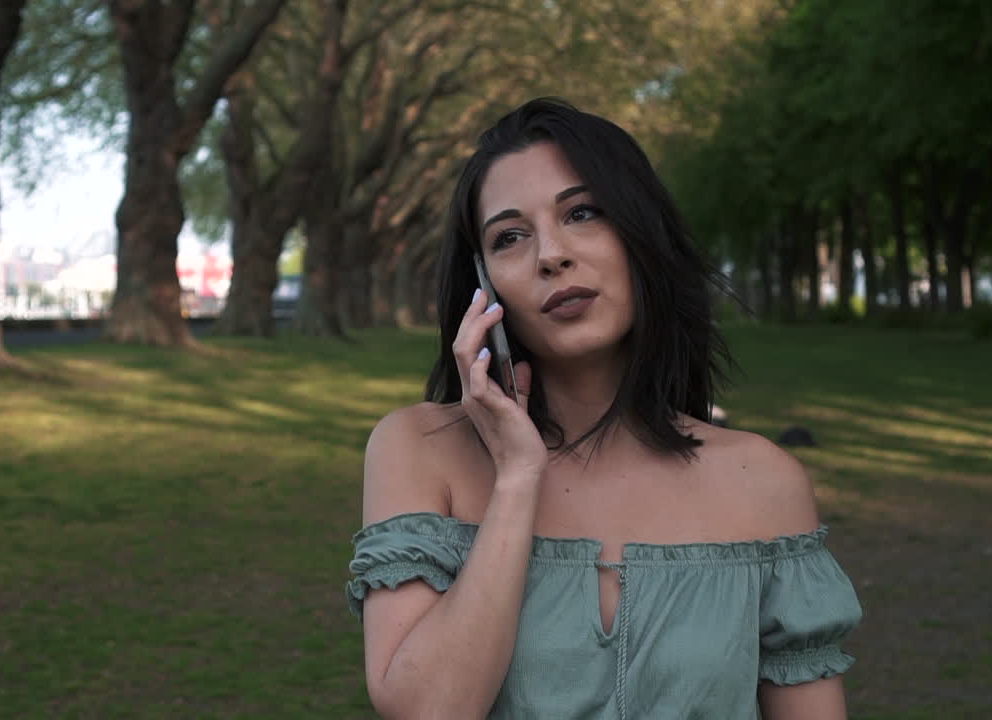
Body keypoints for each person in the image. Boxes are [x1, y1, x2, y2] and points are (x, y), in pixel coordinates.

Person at [345, 98, 862, 719]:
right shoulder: (420, 450)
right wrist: (516, 480)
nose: (550, 255)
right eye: (510, 237)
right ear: (483, 288)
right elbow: (428, 710)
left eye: (583, 212)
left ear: (642, 236)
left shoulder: (764, 481)